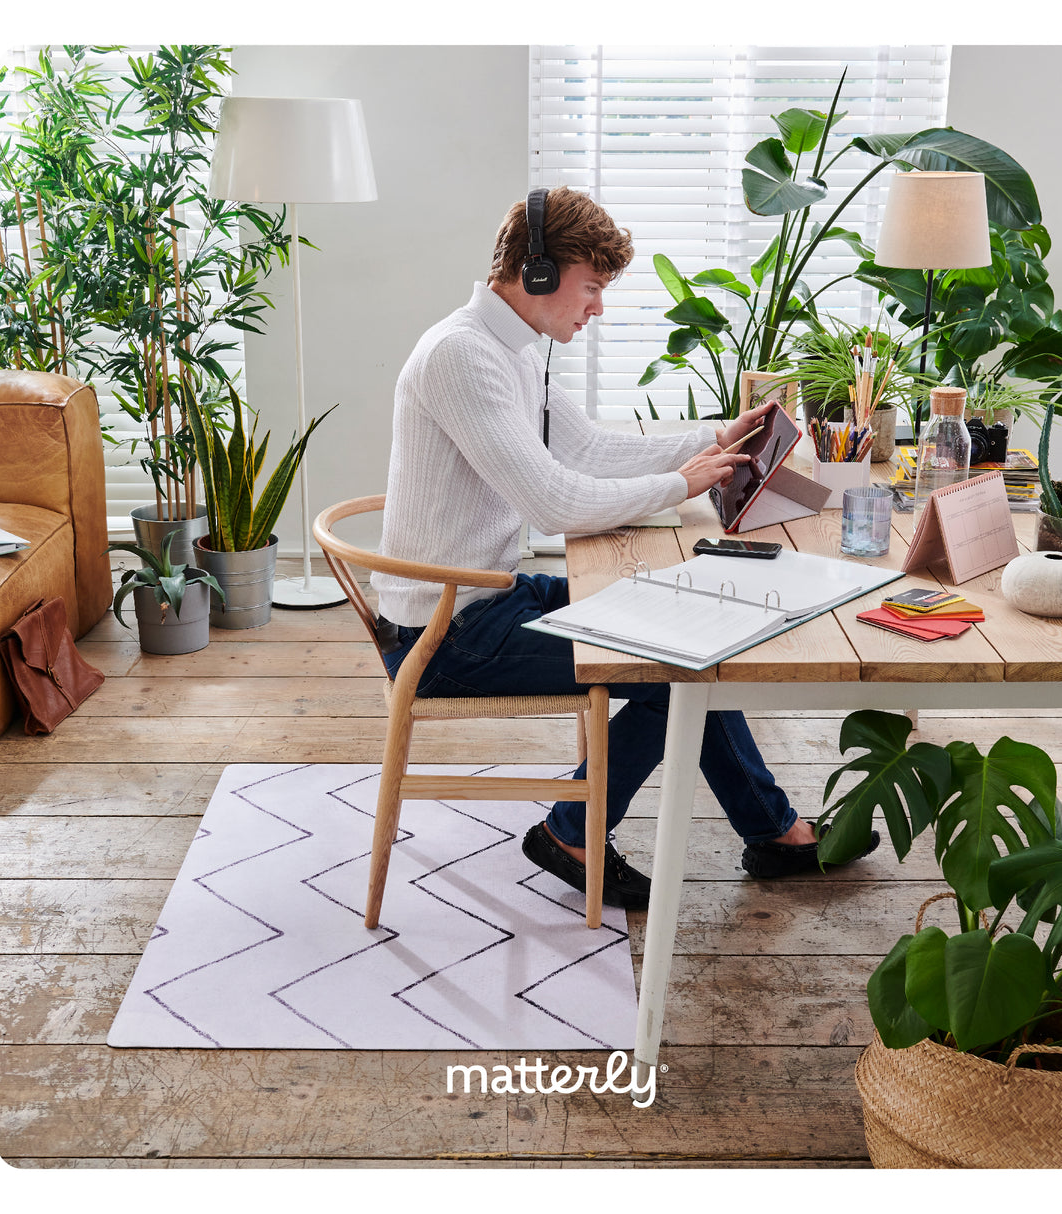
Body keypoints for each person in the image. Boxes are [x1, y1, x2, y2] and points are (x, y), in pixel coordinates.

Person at [371, 186, 877, 910]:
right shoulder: (464, 357)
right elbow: (554, 503)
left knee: (684, 634)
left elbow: (588, 449)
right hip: (446, 636)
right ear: (537, 272)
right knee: (672, 672)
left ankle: (772, 831)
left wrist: (714, 437)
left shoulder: (509, 349)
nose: (597, 307)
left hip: (484, 596)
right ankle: (576, 834)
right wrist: (682, 482)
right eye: (593, 287)